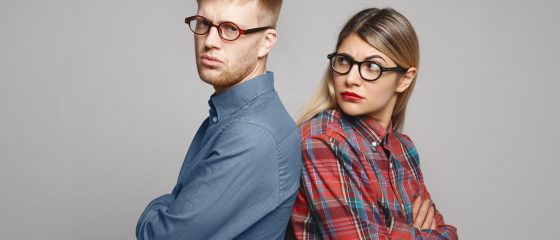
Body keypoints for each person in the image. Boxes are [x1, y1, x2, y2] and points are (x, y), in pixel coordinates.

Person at [135, 0, 302, 239]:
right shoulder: (231, 116)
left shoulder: (253, 133)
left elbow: (161, 235)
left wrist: (160, 208)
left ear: (266, 42)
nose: (210, 41)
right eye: (203, 23)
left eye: (230, 29)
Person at [288, 8, 458, 239]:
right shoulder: (323, 140)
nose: (350, 78)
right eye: (344, 61)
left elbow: (449, 233)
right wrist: (420, 233)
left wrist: (392, 233)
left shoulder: (403, 149)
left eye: (371, 67)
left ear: (404, 79)